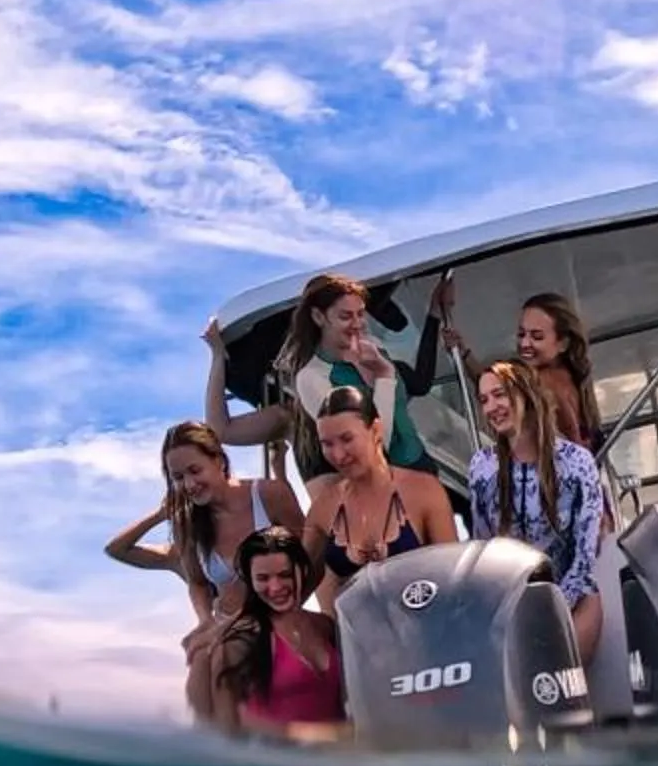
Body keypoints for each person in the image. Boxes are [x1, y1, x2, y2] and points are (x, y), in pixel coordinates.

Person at [104, 422, 304, 721]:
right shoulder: (189, 525)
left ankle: (232, 746)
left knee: (223, 654)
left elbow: (308, 554)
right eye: (177, 478)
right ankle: (217, 750)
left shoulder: (269, 494)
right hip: (222, 625)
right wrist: (205, 620)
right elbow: (197, 583)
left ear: (219, 461)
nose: (188, 484)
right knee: (200, 661)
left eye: (194, 471)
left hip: (271, 620)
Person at [204, 277, 438, 480]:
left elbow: (420, 382)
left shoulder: (380, 380)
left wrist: (435, 316)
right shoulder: (293, 416)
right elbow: (221, 431)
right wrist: (217, 357)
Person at [468, 359, 610, 663]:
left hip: (574, 601)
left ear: (525, 394)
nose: (491, 406)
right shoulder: (482, 467)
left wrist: (555, 609)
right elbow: (483, 549)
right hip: (511, 608)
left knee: (561, 684)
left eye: (500, 394)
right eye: (483, 399)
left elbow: (586, 554)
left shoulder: (576, 462)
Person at [303, 390, 457, 602]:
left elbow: (454, 579)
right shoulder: (325, 507)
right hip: (357, 633)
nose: (338, 455)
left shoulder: (423, 491)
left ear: (376, 429)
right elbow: (293, 585)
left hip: (422, 628)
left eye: (347, 439)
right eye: (327, 444)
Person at [426, 278, 603, 448]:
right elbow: (493, 384)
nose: (525, 344)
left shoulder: (547, 380)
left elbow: (575, 439)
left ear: (563, 343)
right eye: (521, 334)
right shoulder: (567, 377)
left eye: (537, 337)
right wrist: (462, 351)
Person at [206, 530, 346, 739]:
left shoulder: (324, 626)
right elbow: (227, 725)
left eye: (285, 575)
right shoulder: (239, 638)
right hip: (272, 765)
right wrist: (314, 736)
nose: (275, 587)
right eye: (263, 578)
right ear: (250, 581)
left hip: (335, 765)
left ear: (302, 570)